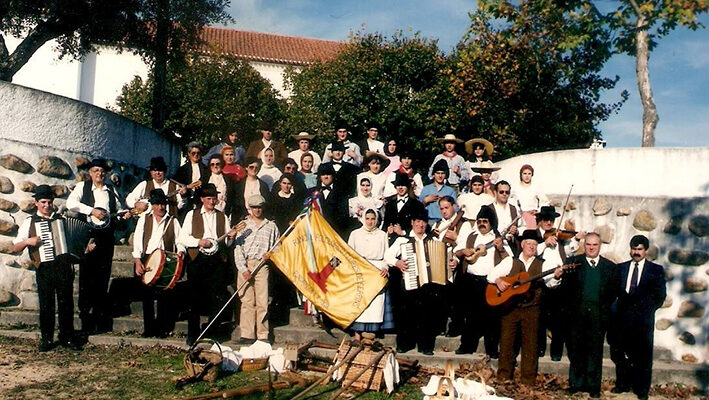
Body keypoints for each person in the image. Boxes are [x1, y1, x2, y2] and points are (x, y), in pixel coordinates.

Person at [487, 230, 562, 386]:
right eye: (528, 243)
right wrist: (499, 280)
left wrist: (556, 277)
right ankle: (503, 378)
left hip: (532, 308)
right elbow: (491, 276)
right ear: (522, 245)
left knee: (530, 345)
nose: (532, 247)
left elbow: (551, 284)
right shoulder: (510, 261)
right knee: (506, 342)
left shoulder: (543, 263)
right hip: (511, 307)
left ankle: (528, 382)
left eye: (535, 244)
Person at [12, 185, 81, 351]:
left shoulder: (61, 219)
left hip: (64, 266)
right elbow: (15, 247)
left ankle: (67, 338)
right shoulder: (30, 222)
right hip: (45, 268)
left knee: (66, 304)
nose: (47, 205)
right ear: (36, 203)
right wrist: (29, 241)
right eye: (43, 202)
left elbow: (74, 242)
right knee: (46, 304)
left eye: (49, 202)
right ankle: (47, 339)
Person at [67, 158, 126, 334]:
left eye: (102, 171)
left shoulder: (111, 190)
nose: (99, 174)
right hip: (88, 236)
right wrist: (92, 211)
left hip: (106, 238)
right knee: (86, 277)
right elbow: (71, 204)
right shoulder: (82, 187)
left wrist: (125, 215)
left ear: (105, 174)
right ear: (90, 173)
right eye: (95, 171)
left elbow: (119, 210)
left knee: (103, 276)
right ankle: (85, 320)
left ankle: (100, 318)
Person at [560, 232, 620, 398]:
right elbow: (566, 290)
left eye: (594, 245)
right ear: (584, 245)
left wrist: (604, 309)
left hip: (598, 314)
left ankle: (593, 386)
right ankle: (576, 384)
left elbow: (613, 292)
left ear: (600, 246)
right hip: (577, 313)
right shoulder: (573, 263)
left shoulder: (610, 267)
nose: (591, 248)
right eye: (588, 244)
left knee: (595, 350)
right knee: (577, 349)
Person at [177, 183, 237, 345]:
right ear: (202, 199)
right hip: (197, 260)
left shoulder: (222, 216)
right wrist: (198, 242)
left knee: (216, 298)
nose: (212, 201)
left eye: (214, 198)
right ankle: (192, 335)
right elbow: (182, 238)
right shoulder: (192, 214)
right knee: (194, 298)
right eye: (209, 198)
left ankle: (210, 333)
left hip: (217, 261)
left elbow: (228, 244)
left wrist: (231, 236)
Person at [608, 235, 666, 400]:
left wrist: (646, 310)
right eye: (634, 249)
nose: (636, 252)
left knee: (643, 356)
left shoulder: (656, 270)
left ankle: (642, 389)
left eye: (639, 249)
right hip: (622, 319)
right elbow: (614, 292)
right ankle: (622, 384)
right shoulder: (621, 268)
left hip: (643, 320)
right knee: (620, 355)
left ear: (645, 250)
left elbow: (660, 296)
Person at [452, 205, 513, 357]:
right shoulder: (472, 236)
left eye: (485, 221)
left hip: (489, 282)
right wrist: (463, 252)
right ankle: (466, 345)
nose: (482, 224)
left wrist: (501, 249)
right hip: (471, 281)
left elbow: (510, 260)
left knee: (492, 317)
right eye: (479, 221)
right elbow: (456, 251)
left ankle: (492, 349)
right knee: (470, 315)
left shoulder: (499, 238)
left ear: (491, 222)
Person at [384, 208, 443, 355]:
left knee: (427, 316)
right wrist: (397, 263)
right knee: (407, 315)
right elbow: (388, 255)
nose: (421, 225)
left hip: (429, 285)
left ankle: (426, 346)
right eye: (417, 222)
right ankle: (405, 344)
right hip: (410, 283)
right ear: (412, 223)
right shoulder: (403, 240)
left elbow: (445, 256)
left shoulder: (433, 240)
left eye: (423, 222)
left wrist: (452, 260)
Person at [131, 189, 185, 338]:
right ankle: (149, 328)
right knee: (147, 295)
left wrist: (180, 251)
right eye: (157, 204)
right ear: (152, 205)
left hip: (165, 258)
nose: (161, 207)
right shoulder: (144, 219)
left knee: (164, 295)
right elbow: (138, 239)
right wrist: (137, 260)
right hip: (147, 258)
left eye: (163, 204)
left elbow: (180, 240)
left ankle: (162, 328)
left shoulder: (172, 221)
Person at [535, 205, 585, 360]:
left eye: (551, 220)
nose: (549, 223)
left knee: (559, 319)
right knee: (540, 320)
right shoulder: (534, 235)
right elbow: (531, 250)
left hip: (559, 283)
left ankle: (556, 352)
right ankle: (540, 349)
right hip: (541, 283)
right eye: (545, 220)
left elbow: (571, 250)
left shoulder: (560, 238)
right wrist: (544, 243)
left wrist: (576, 238)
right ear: (540, 221)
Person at [233, 195, 281, 344]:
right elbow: (237, 248)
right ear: (250, 208)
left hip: (262, 265)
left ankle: (263, 334)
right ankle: (247, 334)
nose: (257, 210)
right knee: (247, 299)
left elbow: (278, 247)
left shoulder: (271, 226)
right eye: (254, 207)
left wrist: (271, 254)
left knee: (262, 299)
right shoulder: (243, 225)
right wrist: (243, 268)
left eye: (260, 207)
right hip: (246, 264)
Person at [347, 209, 393, 340]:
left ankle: (372, 330)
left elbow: (387, 254)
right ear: (363, 219)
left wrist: (385, 267)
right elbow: (350, 254)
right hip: (361, 270)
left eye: (373, 219)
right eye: (367, 218)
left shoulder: (382, 235)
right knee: (360, 301)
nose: (370, 222)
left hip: (377, 270)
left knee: (375, 303)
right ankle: (357, 330)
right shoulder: (355, 234)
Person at [382, 172, 427, 245]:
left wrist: (403, 232)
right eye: (398, 185)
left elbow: (421, 227)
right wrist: (388, 231)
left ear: (408, 186)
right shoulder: (389, 204)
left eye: (403, 185)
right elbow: (385, 225)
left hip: (409, 242)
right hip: (392, 241)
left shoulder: (417, 205)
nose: (400, 188)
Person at [308, 163, 350, 238]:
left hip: (335, 232)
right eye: (323, 174)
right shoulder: (312, 192)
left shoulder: (342, 193)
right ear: (320, 177)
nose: (326, 177)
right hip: (316, 232)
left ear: (333, 176)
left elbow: (344, 216)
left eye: (328, 174)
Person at [511, 164, 549, 232]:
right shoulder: (515, 187)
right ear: (521, 174)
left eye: (529, 174)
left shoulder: (536, 187)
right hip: (519, 216)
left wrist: (538, 211)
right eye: (525, 173)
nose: (527, 176)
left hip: (533, 216)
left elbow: (544, 201)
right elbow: (509, 199)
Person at [420, 159, 457, 226]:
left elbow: (455, 209)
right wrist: (425, 201)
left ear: (445, 175)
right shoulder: (426, 189)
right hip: (428, 221)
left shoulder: (450, 191)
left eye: (442, 173)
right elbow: (417, 209)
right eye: (438, 173)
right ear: (434, 174)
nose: (440, 176)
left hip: (444, 222)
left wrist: (446, 201)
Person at [489, 180, 520, 254]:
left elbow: (523, 227)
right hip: (493, 247)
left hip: (511, 247)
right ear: (496, 193)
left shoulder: (514, 208)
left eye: (507, 192)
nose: (504, 194)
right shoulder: (488, 209)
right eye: (501, 192)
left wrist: (516, 231)